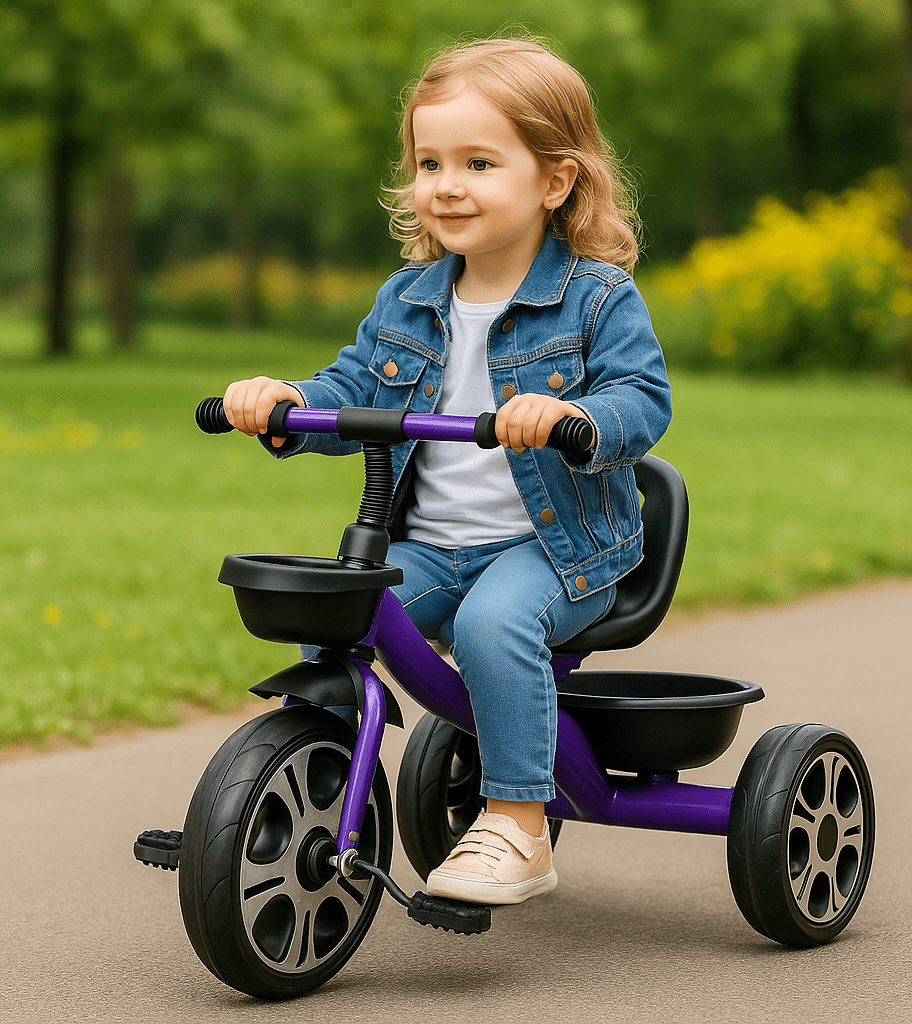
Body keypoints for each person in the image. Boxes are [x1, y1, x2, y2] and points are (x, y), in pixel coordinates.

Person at [222, 37, 672, 906]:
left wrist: (573, 418)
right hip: (430, 542)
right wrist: (284, 402)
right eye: (430, 163)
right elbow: (352, 388)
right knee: (342, 617)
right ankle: (308, 784)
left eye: (477, 161)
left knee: (493, 625)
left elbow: (640, 401)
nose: (446, 185)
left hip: (556, 549)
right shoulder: (410, 297)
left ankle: (518, 822)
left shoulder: (596, 297)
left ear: (554, 180)